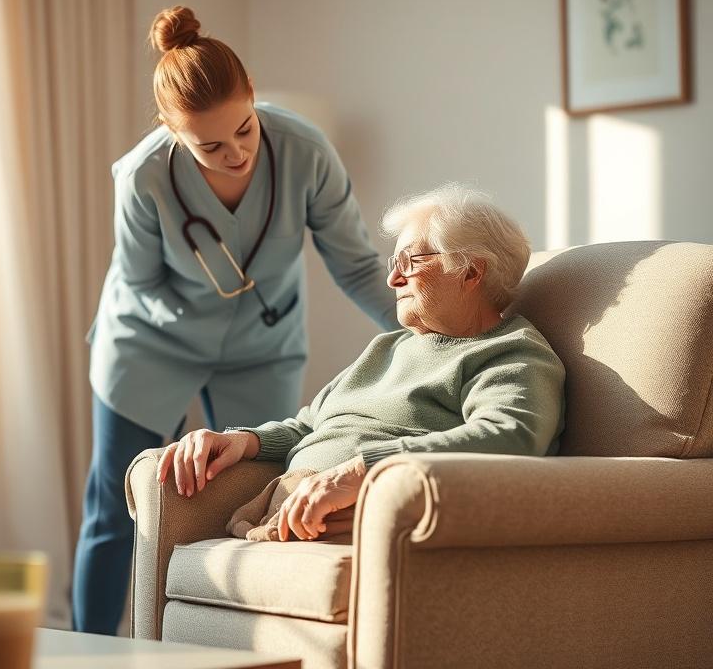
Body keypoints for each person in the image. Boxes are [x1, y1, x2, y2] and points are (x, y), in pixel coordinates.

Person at [72, 6, 401, 634]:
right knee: (116, 509)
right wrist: (219, 290)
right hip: (150, 340)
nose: (236, 153)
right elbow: (140, 283)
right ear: (175, 137)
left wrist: (423, 326)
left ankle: (247, 643)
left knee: (251, 503)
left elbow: (357, 268)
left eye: (245, 130)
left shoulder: (306, 153)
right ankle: (91, 650)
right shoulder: (143, 177)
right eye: (210, 146)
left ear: (253, 99)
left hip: (262, 345)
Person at [157, 182, 565, 542]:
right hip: (288, 512)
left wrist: (363, 472)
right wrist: (241, 441)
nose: (393, 280)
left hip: (366, 520)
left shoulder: (510, 353)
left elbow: (510, 435)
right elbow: (308, 425)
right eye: (394, 264)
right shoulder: (388, 348)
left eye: (411, 262)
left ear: (471, 272)